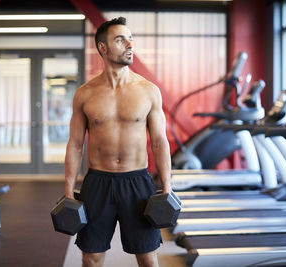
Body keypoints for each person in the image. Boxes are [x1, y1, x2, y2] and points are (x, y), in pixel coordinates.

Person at [64, 17, 171, 267]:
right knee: (91, 257)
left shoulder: (148, 91)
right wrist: (69, 189)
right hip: (97, 183)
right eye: (120, 40)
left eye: (130, 39)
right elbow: (75, 144)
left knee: (147, 256)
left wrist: (167, 185)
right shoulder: (85, 93)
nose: (129, 45)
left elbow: (159, 142)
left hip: (137, 182)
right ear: (103, 48)